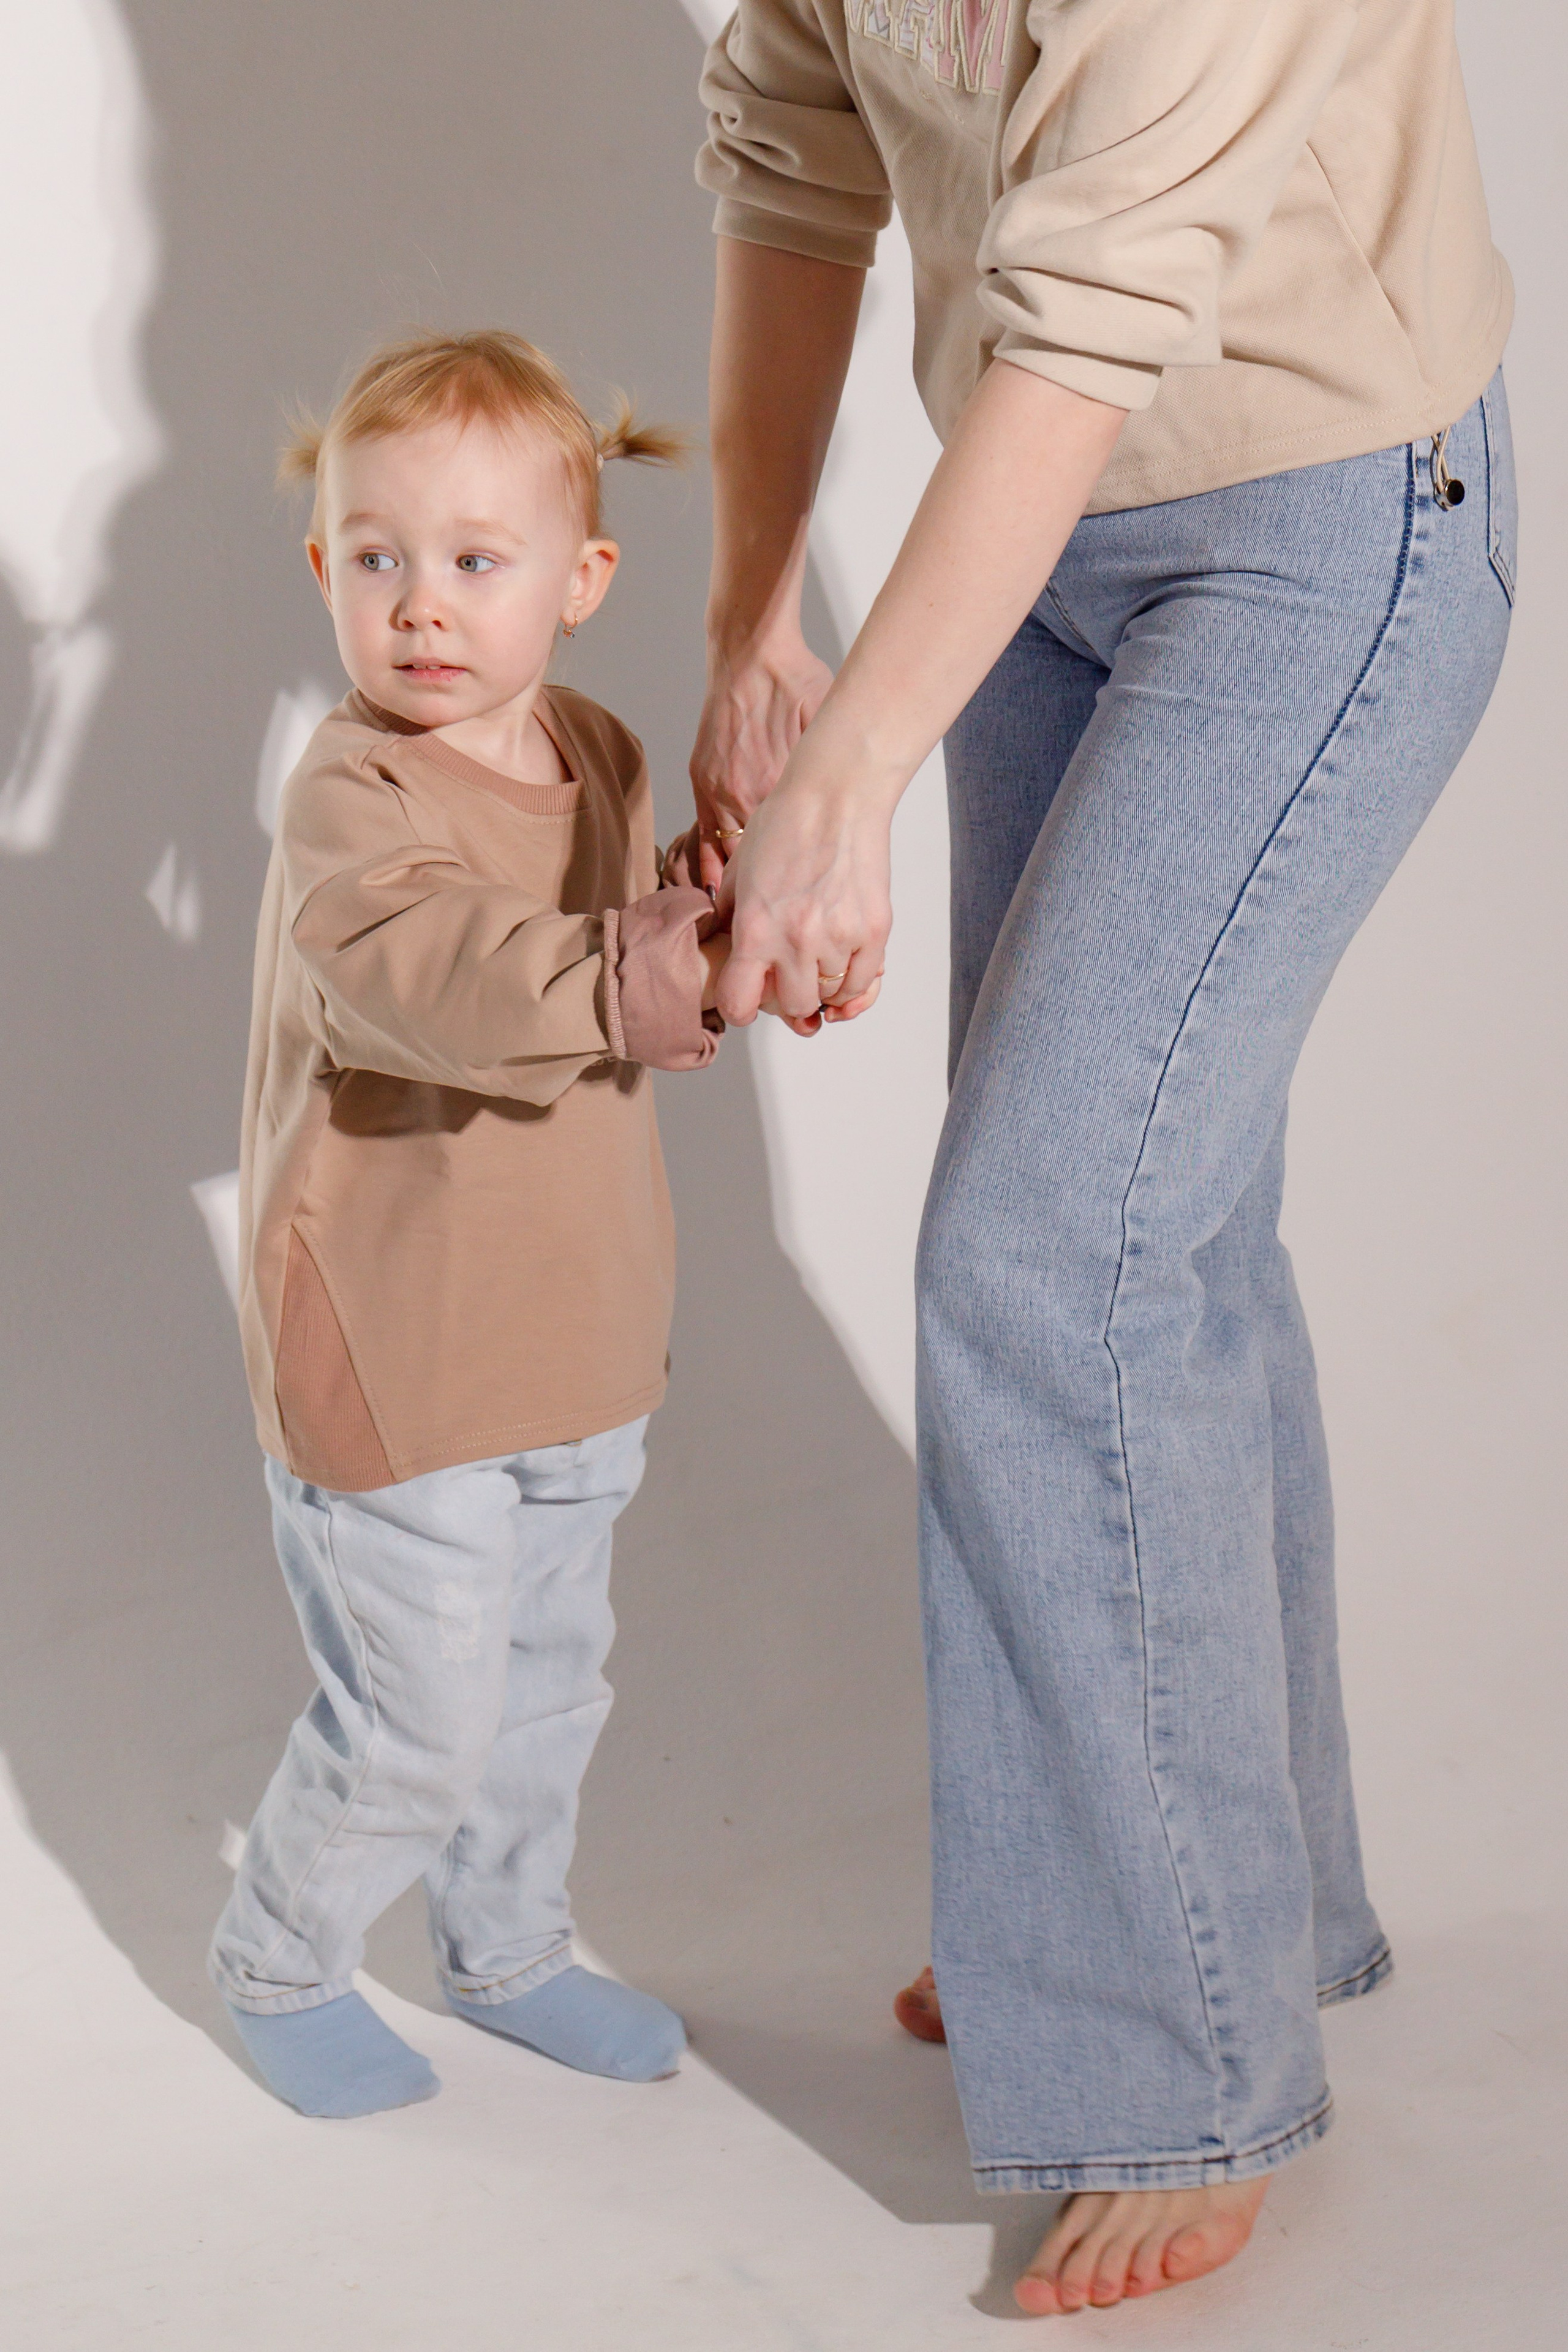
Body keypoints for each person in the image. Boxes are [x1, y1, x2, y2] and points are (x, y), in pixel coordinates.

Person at [691, 0, 1515, 2317]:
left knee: (1051, 1251)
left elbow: (1084, 309)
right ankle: (1187, 1899)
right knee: (1162, 1224)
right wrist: (759, 615)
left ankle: (1169, 2050)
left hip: (1321, 530)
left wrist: (844, 778)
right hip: (1033, 545)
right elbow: (790, 131)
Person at [209, 331, 729, 2118]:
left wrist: (726, 925)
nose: (421, 608)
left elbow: (636, 965)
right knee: (419, 1715)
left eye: (475, 562)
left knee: (543, 1693)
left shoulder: (599, 750)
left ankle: (505, 1949)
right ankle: (278, 1952)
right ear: (324, 569)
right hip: (396, 1334)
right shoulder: (350, 796)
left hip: (573, 1327)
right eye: (378, 559)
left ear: (582, 581)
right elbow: (438, 977)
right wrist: (646, 969)